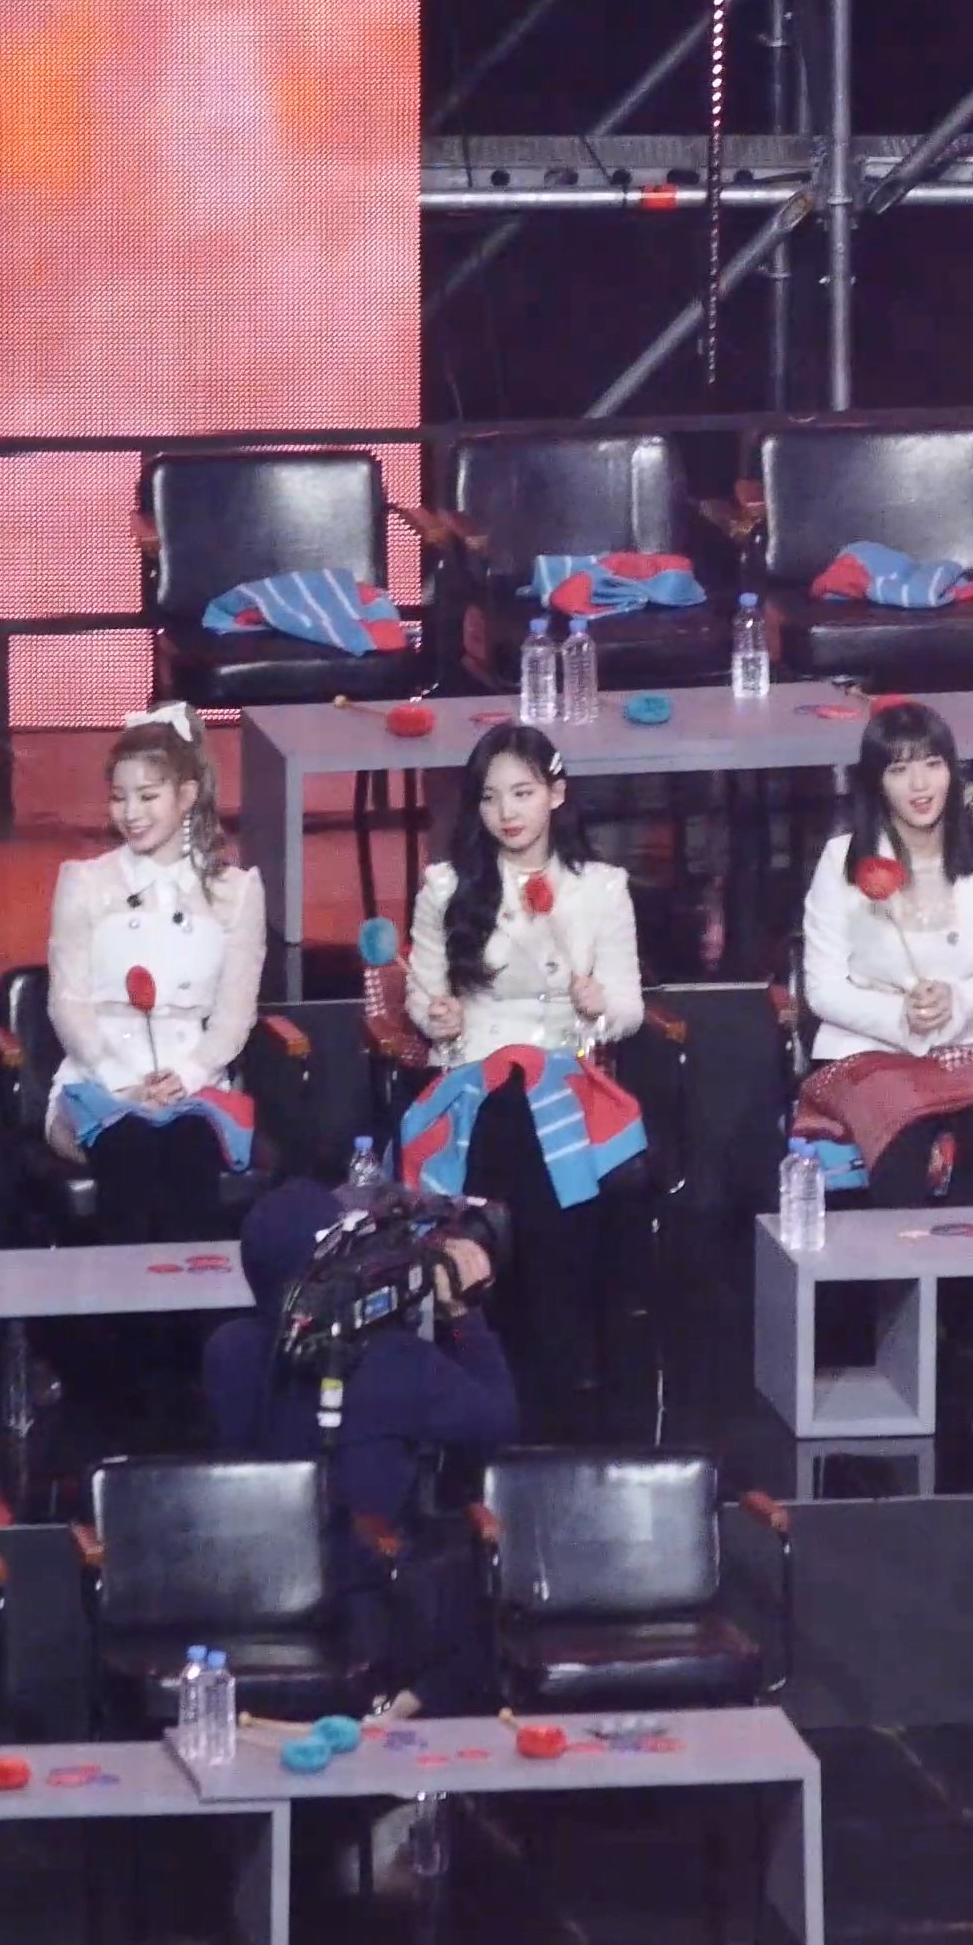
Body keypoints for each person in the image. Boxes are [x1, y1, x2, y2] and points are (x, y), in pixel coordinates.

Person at [386, 723, 646, 1437]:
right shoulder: (448, 889)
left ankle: (544, 1368)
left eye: (523, 794)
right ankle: (523, 1361)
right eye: (491, 797)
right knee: (507, 1105)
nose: (507, 812)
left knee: (535, 1109)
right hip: (473, 1072)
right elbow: (427, 999)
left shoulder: (600, 889)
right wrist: (436, 1014)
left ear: (556, 795)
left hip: (568, 1068)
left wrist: (600, 1004)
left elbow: (629, 1009)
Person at [199, 1180, 517, 1706]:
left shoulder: (226, 1353)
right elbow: (498, 1422)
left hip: (252, 1590)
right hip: (368, 1603)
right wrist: (465, 1313)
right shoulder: (397, 1362)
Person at [800, 698, 973, 1206]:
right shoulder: (842, 860)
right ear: (876, 782)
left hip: (967, 1041)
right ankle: (904, 1259)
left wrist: (959, 999)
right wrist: (900, 1015)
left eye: (932, 765)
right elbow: (822, 988)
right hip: (865, 1047)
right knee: (903, 1134)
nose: (919, 785)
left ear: (952, 771)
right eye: (899, 770)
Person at [45, 705, 267, 1243]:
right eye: (119, 797)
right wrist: (118, 1079)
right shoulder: (84, 883)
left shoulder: (236, 891)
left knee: (188, 1150)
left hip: (193, 1082)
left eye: (147, 797)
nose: (131, 813)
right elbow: (67, 1001)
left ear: (186, 795)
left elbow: (235, 1015)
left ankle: (193, 1298)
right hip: (98, 1080)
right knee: (130, 1149)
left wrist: (187, 1075)